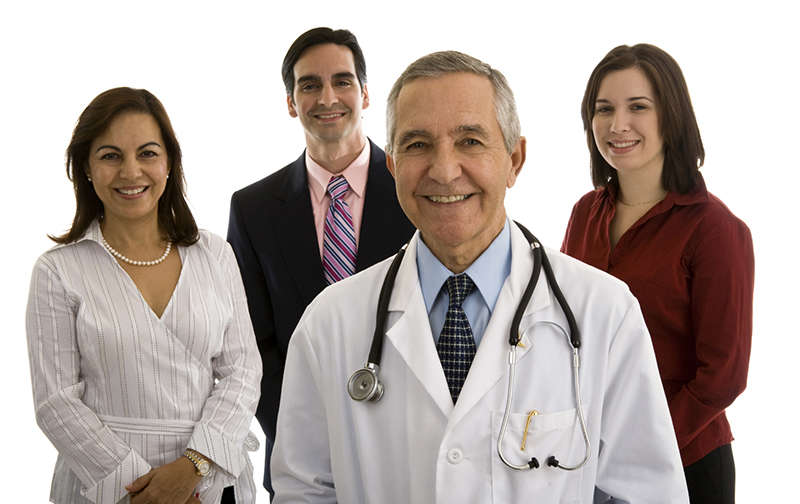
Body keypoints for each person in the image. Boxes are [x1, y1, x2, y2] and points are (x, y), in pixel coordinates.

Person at [271, 50, 689, 502]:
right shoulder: (328, 325)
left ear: (514, 159)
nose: (445, 171)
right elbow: (303, 493)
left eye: (470, 141)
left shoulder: (604, 312)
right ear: (391, 166)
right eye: (416, 145)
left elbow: (646, 493)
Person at [26, 87, 262, 504]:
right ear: (85, 167)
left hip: (209, 483)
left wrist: (192, 468)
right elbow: (56, 403)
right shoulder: (59, 271)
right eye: (110, 155)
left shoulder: (214, 255)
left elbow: (243, 372)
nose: (130, 171)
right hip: (105, 489)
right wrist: (144, 489)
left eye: (148, 153)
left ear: (169, 163)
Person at [226, 27, 415, 499]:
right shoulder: (253, 208)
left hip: (410, 444)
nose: (327, 97)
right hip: (299, 455)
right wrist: (299, 426)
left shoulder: (418, 191)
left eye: (342, 81)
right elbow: (251, 345)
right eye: (310, 85)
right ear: (291, 101)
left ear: (365, 93)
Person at [561, 44, 754, 503]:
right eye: (603, 109)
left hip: (685, 462)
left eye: (638, 107)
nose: (617, 124)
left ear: (672, 116)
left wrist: (638, 442)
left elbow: (722, 378)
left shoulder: (716, 230)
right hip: (589, 458)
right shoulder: (586, 213)